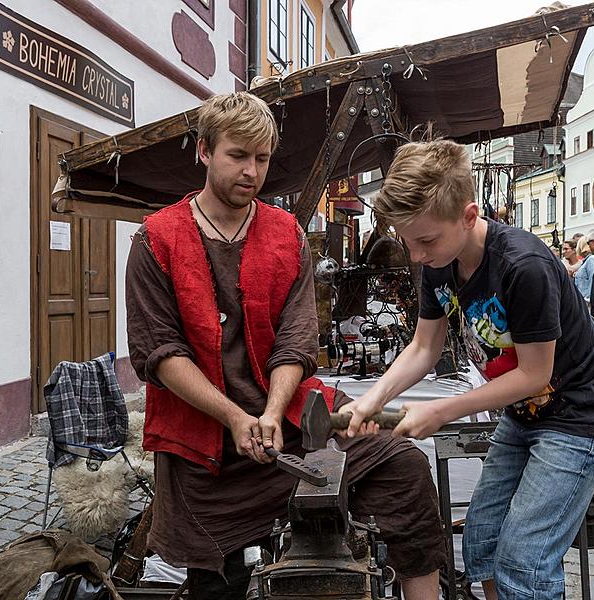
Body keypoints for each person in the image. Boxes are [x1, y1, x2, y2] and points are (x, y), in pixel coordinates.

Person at [125, 92, 444, 599]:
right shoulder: (156, 240)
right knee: (216, 580)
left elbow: (296, 341)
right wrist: (234, 417)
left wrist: (271, 413)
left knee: (404, 468)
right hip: (203, 440)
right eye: (237, 155)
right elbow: (159, 353)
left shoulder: (285, 233)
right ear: (204, 151)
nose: (251, 171)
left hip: (292, 423)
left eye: (262, 158)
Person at [341, 140, 594, 600]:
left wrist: (442, 412)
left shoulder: (523, 265)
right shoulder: (440, 261)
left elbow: (535, 375)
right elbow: (423, 347)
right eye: (407, 241)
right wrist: (372, 399)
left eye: (426, 241)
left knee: (524, 561)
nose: (415, 255)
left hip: (580, 418)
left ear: (469, 215)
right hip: (524, 415)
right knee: (484, 542)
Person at [573, 235, 594, 305]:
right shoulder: (587, 261)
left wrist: (587, 299)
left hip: (586, 302)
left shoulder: (592, 259)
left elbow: (593, 280)